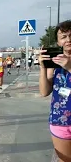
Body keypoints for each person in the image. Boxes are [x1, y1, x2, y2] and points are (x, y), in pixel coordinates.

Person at [39, 20, 71, 162]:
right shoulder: (55, 61)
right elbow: (44, 92)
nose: (68, 39)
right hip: (60, 121)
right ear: (58, 42)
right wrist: (43, 68)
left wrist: (70, 67)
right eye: (63, 37)